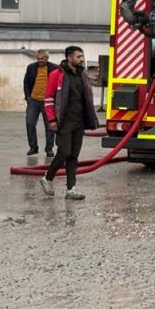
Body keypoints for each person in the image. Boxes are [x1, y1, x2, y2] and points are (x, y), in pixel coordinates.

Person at [40, 46, 98, 200]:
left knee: (73, 156)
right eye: (78, 56)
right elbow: (49, 99)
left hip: (78, 121)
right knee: (64, 152)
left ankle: (71, 189)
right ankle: (47, 178)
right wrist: (52, 119)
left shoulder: (82, 75)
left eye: (82, 56)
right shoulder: (56, 75)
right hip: (63, 122)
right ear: (69, 58)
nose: (82, 59)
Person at [22, 49, 59, 156]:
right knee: (30, 123)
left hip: (48, 102)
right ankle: (33, 147)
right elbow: (26, 82)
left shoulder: (54, 68)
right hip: (33, 100)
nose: (40, 61)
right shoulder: (31, 68)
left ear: (47, 58)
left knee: (49, 125)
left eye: (42, 59)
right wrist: (28, 97)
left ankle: (49, 149)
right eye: (38, 59)